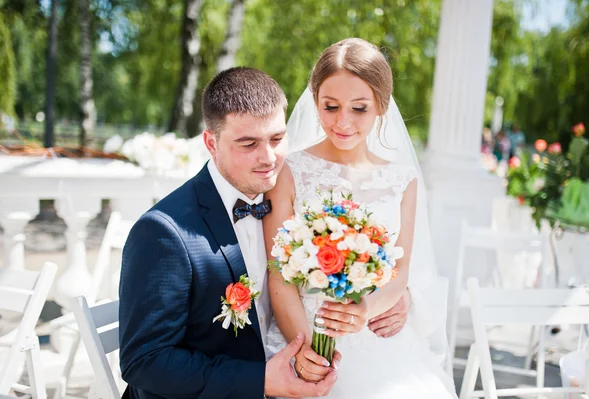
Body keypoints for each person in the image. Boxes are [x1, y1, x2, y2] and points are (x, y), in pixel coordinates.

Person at [118, 67, 340, 399]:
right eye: (248, 143)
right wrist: (261, 380)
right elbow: (145, 361)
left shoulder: (291, 204)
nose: (268, 158)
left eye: (277, 139)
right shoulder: (164, 232)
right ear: (211, 143)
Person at [263, 38, 456, 398]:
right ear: (315, 100)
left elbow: (398, 274)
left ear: (380, 106)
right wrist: (304, 347)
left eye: (359, 108)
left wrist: (364, 310)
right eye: (331, 106)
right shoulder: (289, 173)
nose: (343, 122)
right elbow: (279, 275)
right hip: (304, 332)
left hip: (375, 335)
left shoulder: (403, 182)